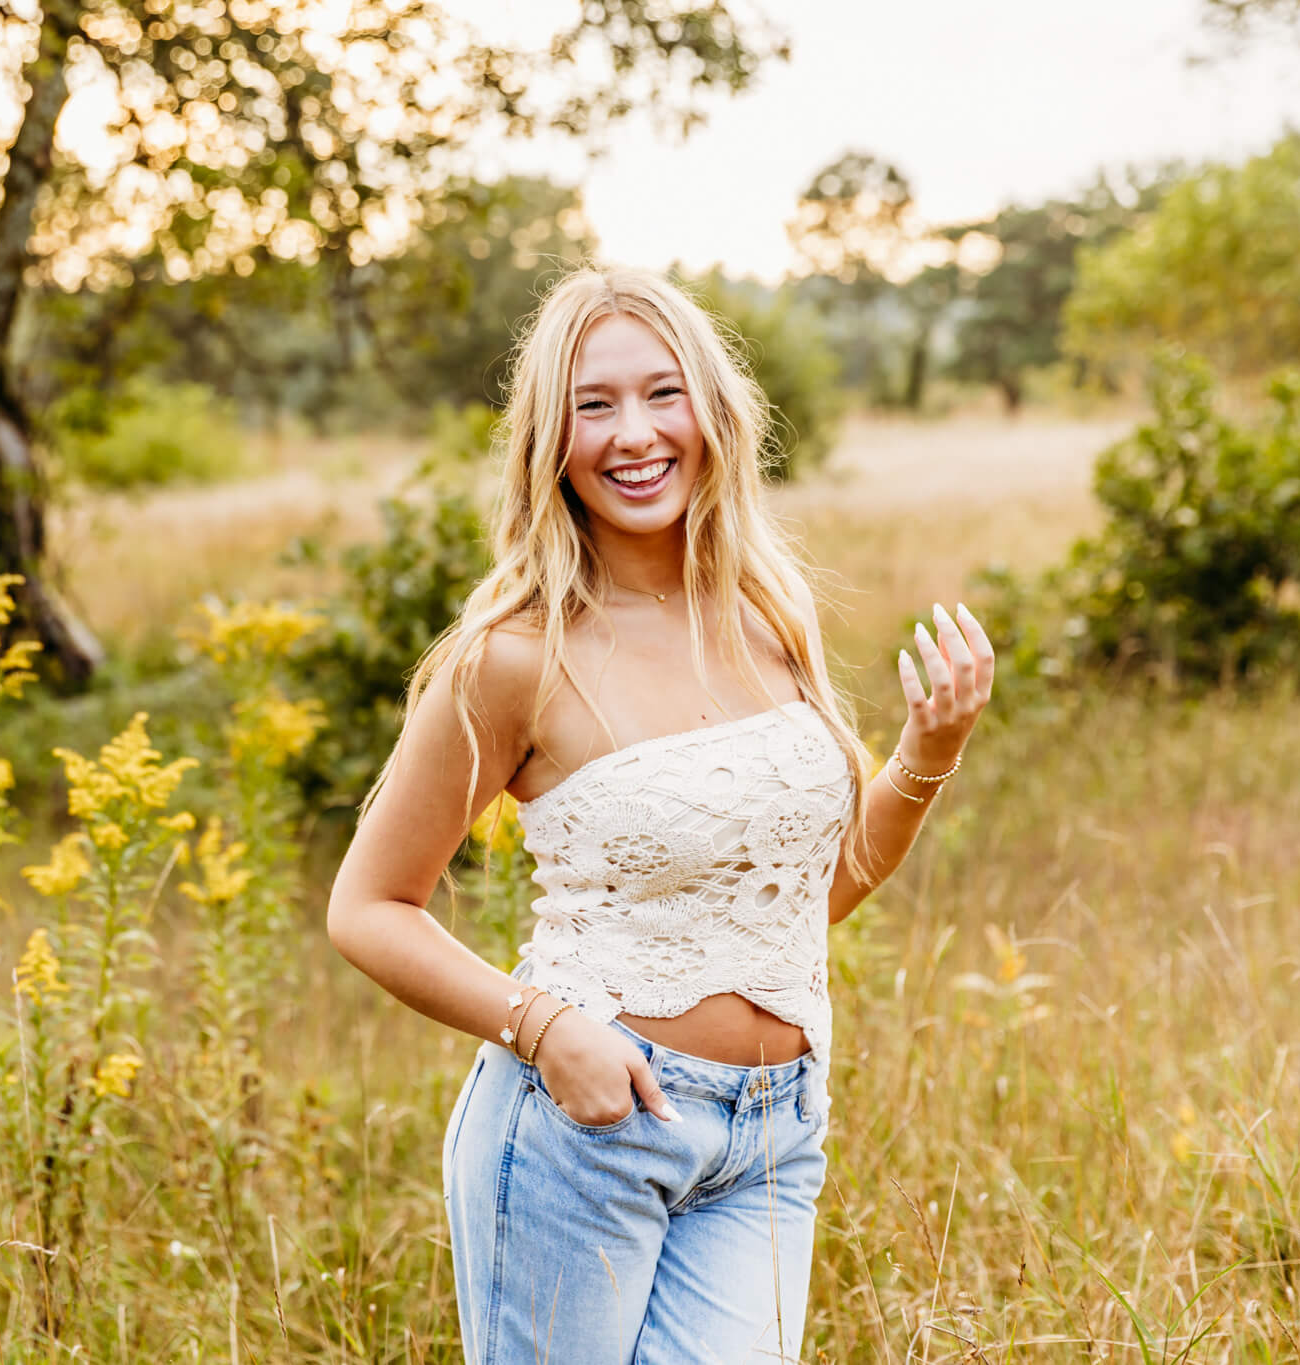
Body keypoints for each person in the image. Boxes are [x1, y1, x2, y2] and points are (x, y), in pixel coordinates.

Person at [325, 264, 994, 1364]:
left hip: (772, 1134)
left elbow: (808, 898)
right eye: (593, 405)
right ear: (550, 441)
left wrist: (928, 750)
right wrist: (544, 1033)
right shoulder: (509, 660)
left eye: (661, 393)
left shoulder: (767, 619)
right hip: (583, 1126)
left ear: (713, 413)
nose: (632, 434)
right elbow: (368, 908)